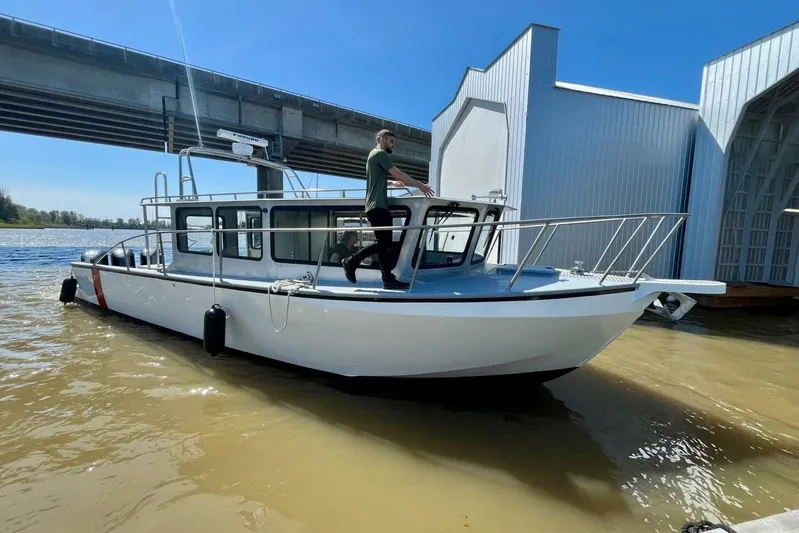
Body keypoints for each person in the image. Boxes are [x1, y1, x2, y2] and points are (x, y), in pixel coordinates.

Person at [341, 129, 434, 290]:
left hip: (375, 206)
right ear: (381, 139)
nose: (393, 145)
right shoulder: (380, 154)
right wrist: (421, 185)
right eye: (391, 141)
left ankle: (387, 279)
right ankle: (351, 261)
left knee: (384, 244)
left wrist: (391, 184)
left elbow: (376, 179)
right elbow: (399, 174)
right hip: (378, 206)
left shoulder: (372, 156)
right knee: (384, 243)